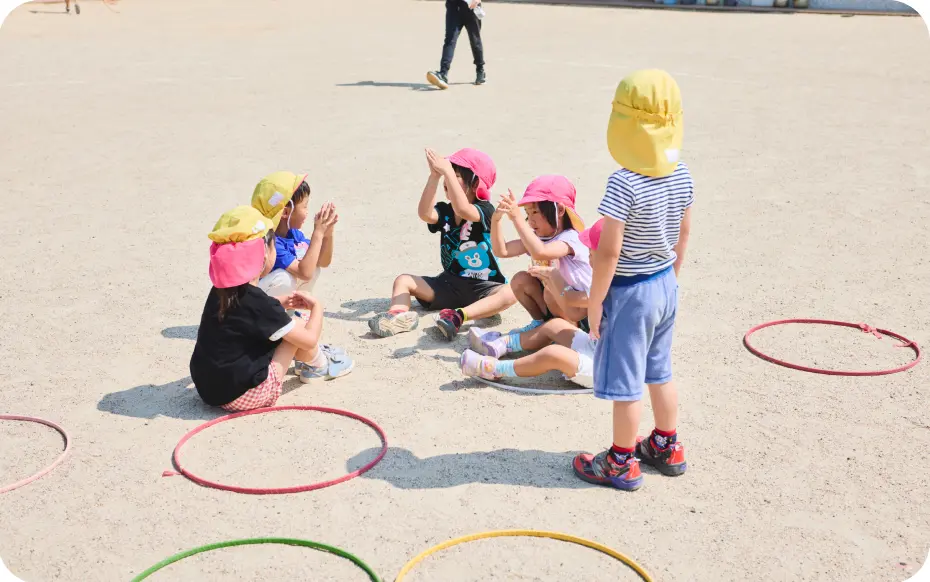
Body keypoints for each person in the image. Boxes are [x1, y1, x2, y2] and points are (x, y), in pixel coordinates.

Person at [571, 70, 694, 492]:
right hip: (664, 283)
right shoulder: (682, 174)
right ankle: (666, 443)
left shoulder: (623, 183)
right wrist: (671, 277)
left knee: (627, 383)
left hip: (631, 292)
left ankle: (621, 462)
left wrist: (595, 302)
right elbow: (684, 231)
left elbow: (608, 251)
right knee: (659, 371)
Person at [189, 207, 353, 412]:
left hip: (207, 388)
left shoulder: (222, 291)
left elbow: (249, 312)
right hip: (243, 395)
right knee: (298, 327)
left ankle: (309, 359)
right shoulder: (258, 303)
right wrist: (317, 307)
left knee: (278, 329)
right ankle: (319, 366)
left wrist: (279, 302)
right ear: (264, 254)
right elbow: (308, 338)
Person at [368, 148, 515, 340]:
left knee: (510, 292)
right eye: (448, 176)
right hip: (449, 283)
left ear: (475, 184)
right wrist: (434, 176)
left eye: (455, 176)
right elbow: (425, 214)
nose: (448, 181)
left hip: (485, 286)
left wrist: (445, 170)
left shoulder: (485, 209)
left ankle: (459, 316)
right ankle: (398, 315)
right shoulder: (445, 211)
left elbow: (463, 209)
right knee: (403, 280)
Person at [460, 219, 605, 388]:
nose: (588, 257)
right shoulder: (604, 282)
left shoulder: (616, 290)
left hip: (605, 368)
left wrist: (555, 276)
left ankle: (495, 368)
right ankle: (502, 345)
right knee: (555, 325)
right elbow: (574, 312)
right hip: (596, 346)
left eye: (592, 254)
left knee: (553, 353)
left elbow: (572, 303)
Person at [490, 175, 591, 332]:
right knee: (520, 280)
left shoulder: (570, 238)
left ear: (560, 210)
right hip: (555, 302)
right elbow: (501, 251)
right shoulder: (539, 238)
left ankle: (569, 332)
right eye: (527, 213)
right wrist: (496, 221)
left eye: (535, 212)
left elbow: (540, 253)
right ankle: (541, 324)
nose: (530, 220)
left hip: (580, 312)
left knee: (551, 290)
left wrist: (517, 218)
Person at [251, 172, 336, 298]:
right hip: (256, 301)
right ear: (286, 212)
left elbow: (322, 262)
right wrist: (318, 233)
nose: (307, 212)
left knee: (313, 265)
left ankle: (290, 312)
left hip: (272, 297)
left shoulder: (294, 235)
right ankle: (274, 316)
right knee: (284, 278)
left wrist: (327, 234)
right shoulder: (271, 243)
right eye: (304, 206)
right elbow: (305, 273)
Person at [426, 0, 486, 90]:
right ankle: (443, 73)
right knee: (450, 40)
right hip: (453, 8)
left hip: (471, 7)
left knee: (475, 40)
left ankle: (480, 70)